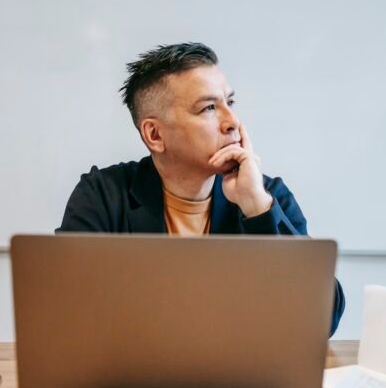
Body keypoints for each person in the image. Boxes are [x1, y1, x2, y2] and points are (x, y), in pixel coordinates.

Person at [56, 42, 345, 335]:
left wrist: (258, 209)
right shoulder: (103, 196)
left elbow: (322, 321)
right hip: (135, 374)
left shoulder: (265, 194)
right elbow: (66, 311)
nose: (232, 122)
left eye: (229, 103)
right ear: (154, 134)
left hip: (241, 374)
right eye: (208, 108)